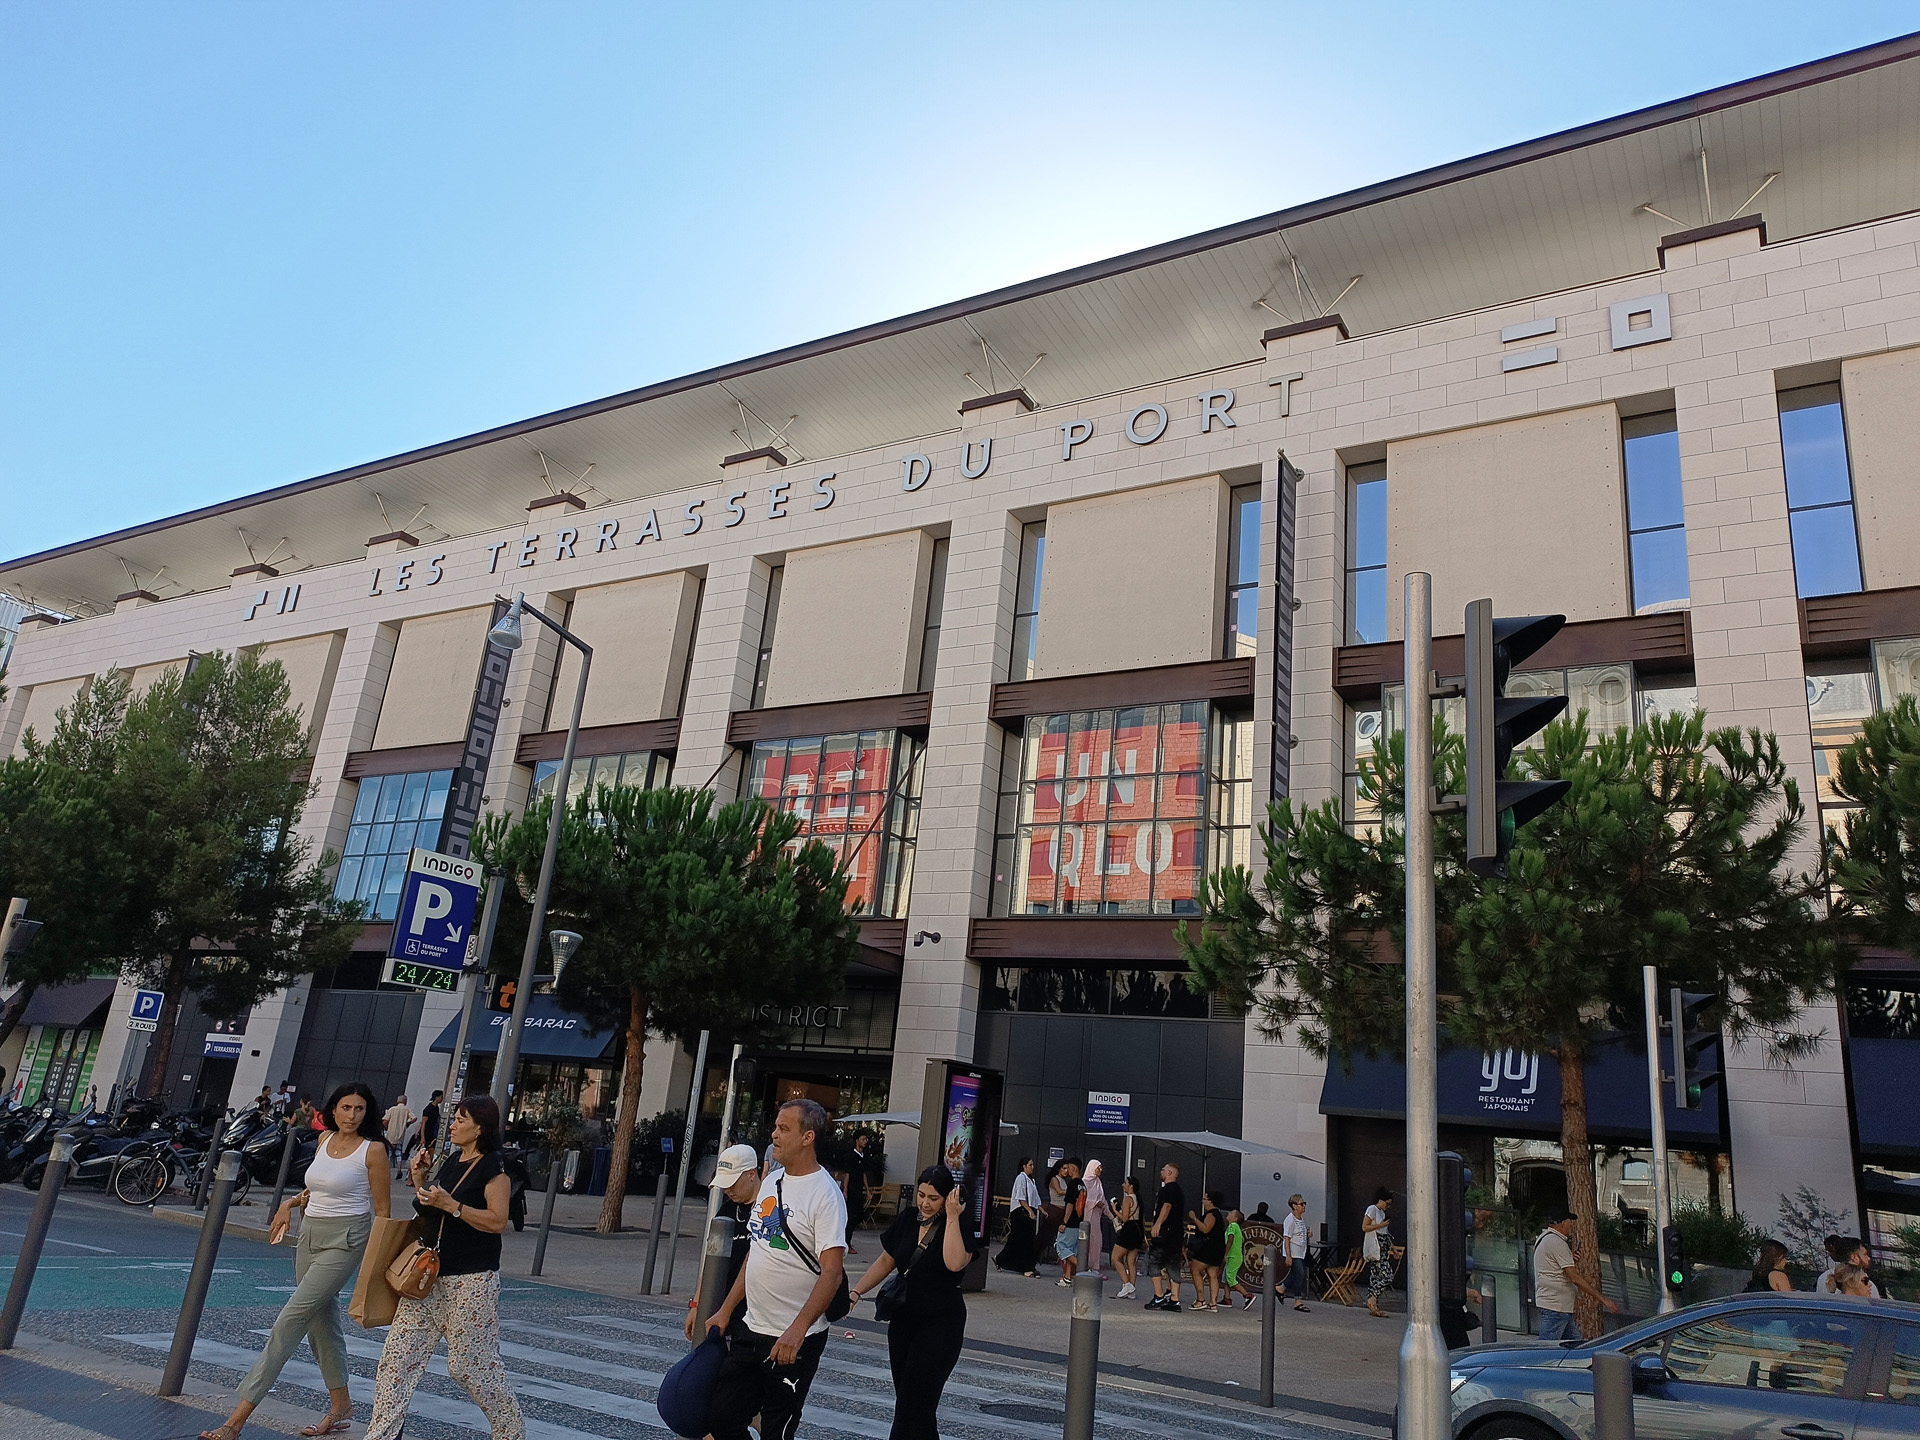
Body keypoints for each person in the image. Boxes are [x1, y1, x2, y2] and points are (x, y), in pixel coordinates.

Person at [199, 1082, 390, 1440]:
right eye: (346, 1108)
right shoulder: (323, 1141)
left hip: (347, 1240)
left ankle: (235, 1421)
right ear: (332, 1110)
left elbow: (382, 1210)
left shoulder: (373, 1150)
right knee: (321, 1323)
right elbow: (318, 1188)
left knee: (290, 1320)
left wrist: (372, 1267)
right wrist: (289, 1204)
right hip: (310, 1235)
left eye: (359, 1109)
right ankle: (341, 1406)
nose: (352, 1115)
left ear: (368, 1113)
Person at [366, 1094, 523, 1440]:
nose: (452, 1125)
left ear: (480, 1127)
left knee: (469, 1367)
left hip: (471, 1281)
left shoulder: (496, 1168)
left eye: (461, 1120)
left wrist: (454, 1206)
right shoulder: (453, 1160)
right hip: (427, 1276)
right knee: (396, 1361)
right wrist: (420, 1180)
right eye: (454, 1119)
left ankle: (510, 1431)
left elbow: (497, 1221)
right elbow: (432, 1210)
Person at [706, 1099, 848, 1440]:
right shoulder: (772, 1181)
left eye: (784, 1129)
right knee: (720, 1420)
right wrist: (724, 1310)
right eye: (775, 1127)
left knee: (776, 1430)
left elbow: (832, 1272)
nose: (774, 1135)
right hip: (751, 1328)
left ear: (807, 1137)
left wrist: (797, 1331)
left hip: (795, 1339)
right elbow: (757, 1249)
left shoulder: (825, 1195)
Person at [849, 1166, 982, 1440]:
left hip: (941, 1323)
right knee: (913, 1406)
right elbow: (887, 1260)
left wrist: (954, 1216)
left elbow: (955, 1262)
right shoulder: (909, 1218)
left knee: (914, 1402)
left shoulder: (957, 1223)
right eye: (921, 1195)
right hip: (904, 1318)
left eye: (933, 1198)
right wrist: (857, 1291)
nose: (924, 1203)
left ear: (948, 1197)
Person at [687, 1144, 763, 1341]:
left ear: (751, 1174)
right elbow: (710, 1261)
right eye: (724, 1184)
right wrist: (697, 1305)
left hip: (754, 1311)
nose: (728, 1190)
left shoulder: (767, 1210)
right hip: (719, 1305)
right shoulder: (727, 1211)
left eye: (733, 1183)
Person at [1531, 1207, 1619, 1342]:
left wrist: (1570, 1258)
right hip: (1556, 1307)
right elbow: (1575, 1278)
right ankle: (1529, 1362)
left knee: (1575, 1345)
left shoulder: (1544, 1238)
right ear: (1561, 1223)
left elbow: (1552, 1266)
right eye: (1569, 1221)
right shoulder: (1557, 1242)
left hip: (1556, 1306)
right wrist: (1603, 1299)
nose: (1571, 1225)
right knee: (1545, 1349)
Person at [1144, 1162, 1186, 1312]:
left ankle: (1159, 1296)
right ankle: (1174, 1300)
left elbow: (1166, 1206)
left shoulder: (1168, 1189)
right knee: (1173, 1265)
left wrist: (1158, 1224)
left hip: (1165, 1233)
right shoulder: (1179, 1190)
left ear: (1169, 1173)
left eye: (1163, 1170)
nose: (1161, 1172)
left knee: (1153, 1262)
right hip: (1176, 1234)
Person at [994, 1157, 1042, 1276]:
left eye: (1033, 1165)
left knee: (1020, 1240)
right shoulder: (1021, 1178)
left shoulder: (1031, 1180)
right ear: (1024, 1166)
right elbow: (1020, 1197)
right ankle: (1026, 1267)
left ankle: (1001, 1259)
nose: (1032, 1167)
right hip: (1021, 1213)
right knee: (1023, 1240)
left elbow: (1035, 1197)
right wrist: (1029, 1210)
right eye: (1030, 1165)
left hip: (1028, 1212)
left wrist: (1040, 1209)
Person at [1187, 1192, 1225, 1311]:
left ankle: (1200, 1299)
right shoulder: (1218, 1215)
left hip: (1207, 1249)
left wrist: (1194, 1218)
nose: (1203, 1201)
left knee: (1195, 1269)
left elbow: (1205, 1229)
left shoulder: (1211, 1214)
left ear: (1210, 1201)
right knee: (1212, 1275)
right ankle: (1213, 1303)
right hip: (1217, 1248)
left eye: (1205, 1199)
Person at [1362, 1187, 1396, 1319]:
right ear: (1381, 1200)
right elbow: (1364, 1227)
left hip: (1382, 1247)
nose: (1388, 1206)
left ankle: (1374, 1304)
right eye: (1387, 1203)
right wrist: (1379, 1226)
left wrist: (1392, 1249)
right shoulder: (1372, 1209)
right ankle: (1372, 1298)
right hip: (1375, 1247)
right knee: (1388, 1276)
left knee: (1375, 1276)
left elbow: (1385, 1233)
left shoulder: (1381, 1212)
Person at [1110, 1176, 1143, 1299]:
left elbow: (1124, 1218)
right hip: (1138, 1230)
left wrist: (1114, 1210)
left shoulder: (1128, 1199)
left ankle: (1127, 1283)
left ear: (1131, 1186)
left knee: (1115, 1257)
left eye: (1125, 1183)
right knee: (1131, 1262)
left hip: (1128, 1230)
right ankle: (1132, 1289)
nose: (1123, 1185)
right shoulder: (1138, 1199)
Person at [1053, 1160, 1084, 1284]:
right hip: (1079, 1221)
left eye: (1069, 1168)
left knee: (1061, 1246)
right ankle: (1068, 1277)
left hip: (1070, 1222)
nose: (1067, 1171)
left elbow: (1070, 1204)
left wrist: (1064, 1222)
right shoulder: (1082, 1184)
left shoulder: (1072, 1184)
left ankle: (1084, 1269)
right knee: (1072, 1249)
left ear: (1074, 1168)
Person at [1081, 1159, 1111, 1278]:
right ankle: (1086, 1266)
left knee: (1096, 1242)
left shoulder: (1098, 1182)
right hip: (1087, 1216)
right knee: (1087, 1242)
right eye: (1098, 1167)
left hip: (1096, 1217)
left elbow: (1103, 1201)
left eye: (1101, 1167)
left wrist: (1111, 1216)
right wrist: (1095, 1203)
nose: (1100, 1170)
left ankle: (1095, 1267)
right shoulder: (1085, 1182)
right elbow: (1083, 1200)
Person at [1223, 1207, 1257, 1309]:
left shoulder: (1232, 1226)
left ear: (1236, 1218)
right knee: (1227, 1277)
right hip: (1235, 1256)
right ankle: (1227, 1298)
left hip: (1233, 1256)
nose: (1229, 1213)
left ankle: (1247, 1295)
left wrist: (1226, 1253)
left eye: (1231, 1213)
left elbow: (1230, 1239)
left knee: (1230, 1278)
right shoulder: (1235, 1226)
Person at [1282, 1194, 1312, 1312]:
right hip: (1293, 1252)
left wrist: (1307, 1233)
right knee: (1299, 1274)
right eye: (1301, 1204)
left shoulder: (1300, 1219)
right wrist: (1288, 1255)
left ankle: (1281, 1288)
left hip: (1300, 1251)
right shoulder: (1290, 1219)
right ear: (1294, 1206)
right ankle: (1298, 1301)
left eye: (1304, 1203)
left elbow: (1298, 1233)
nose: (1304, 1206)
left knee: (1296, 1274)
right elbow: (1287, 1237)